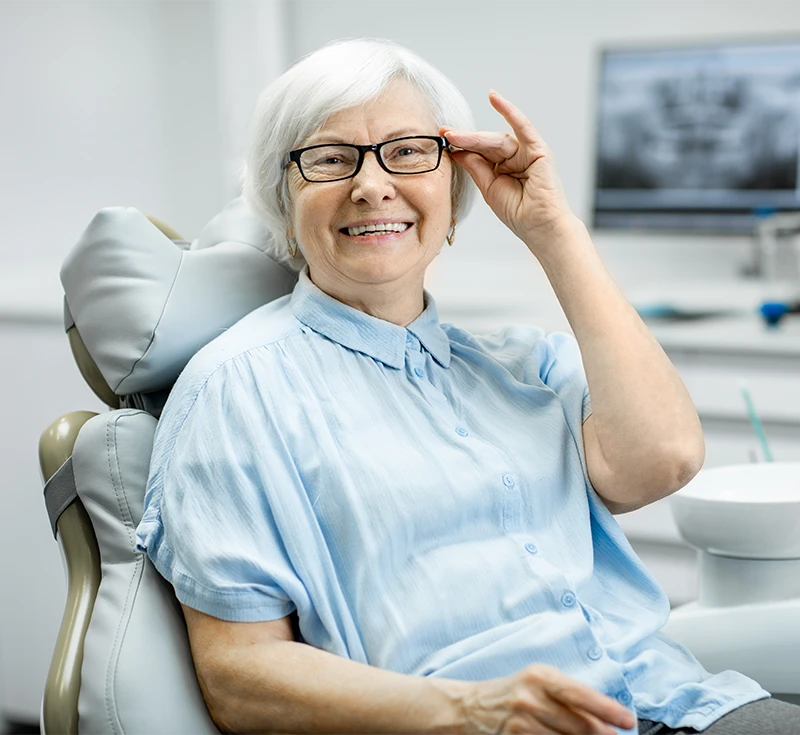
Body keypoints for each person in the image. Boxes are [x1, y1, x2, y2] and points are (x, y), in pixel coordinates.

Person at [135, 39, 798, 734]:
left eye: (408, 151)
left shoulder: (522, 364)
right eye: (329, 158)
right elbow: (239, 674)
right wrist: (465, 709)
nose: (371, 184)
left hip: (684, 700)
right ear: (282, 196)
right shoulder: (235, 391)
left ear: (453, 193)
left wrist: (552, 230)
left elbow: (662, 459)